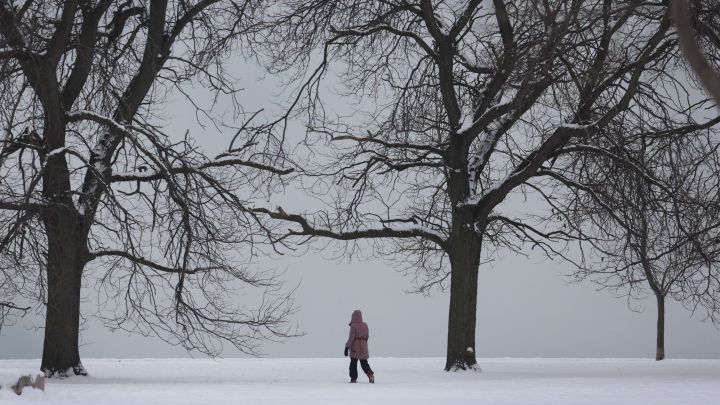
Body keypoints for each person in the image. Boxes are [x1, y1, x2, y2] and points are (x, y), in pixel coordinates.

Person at [344, 309, 375, 383]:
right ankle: (370, 375)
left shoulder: (353, 326)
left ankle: (353, 379)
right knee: (364, 362)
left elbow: (351, 338)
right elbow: (367, 336)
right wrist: (364, 344)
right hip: (363, 346)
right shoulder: (365, 325)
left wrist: (347, 347)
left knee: (353, 363)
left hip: (355, 346)